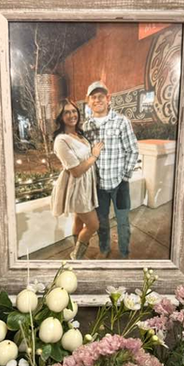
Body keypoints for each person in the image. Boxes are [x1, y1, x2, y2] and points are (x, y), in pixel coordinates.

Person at [82, 81, 140, 259]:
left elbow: (133, 150)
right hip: (99, 186)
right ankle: (104, 249)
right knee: (102, 222)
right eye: (93, 97)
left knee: (123, 222)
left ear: (108, 99)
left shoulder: (122, 122)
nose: (97, 100)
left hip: (120, 184)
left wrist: (125, 176)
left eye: (101, 96)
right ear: (88, 101)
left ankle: (124, 253)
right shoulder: (86, 127)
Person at [50, 99, 105, 260]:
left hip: (86, 185)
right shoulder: (61, 140)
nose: (72, 115)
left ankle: (76, 248)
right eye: (67, 112)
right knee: (93, 225)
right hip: (77, 187)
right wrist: (94, 155)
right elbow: (76, 170)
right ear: (60, 117)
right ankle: (77, 256)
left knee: (79, 220)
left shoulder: (78, 134)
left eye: (74, 111)